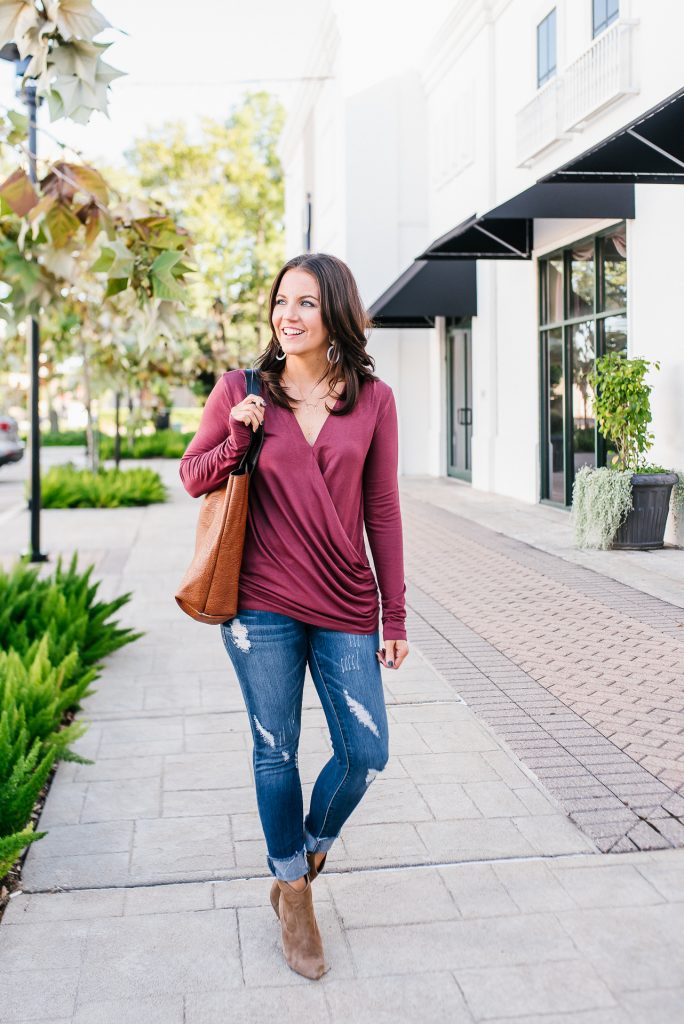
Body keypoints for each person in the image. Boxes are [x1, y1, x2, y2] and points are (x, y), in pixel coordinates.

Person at [179, 252, 409, 980]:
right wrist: (238, 436)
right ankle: (297, 895)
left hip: (346, 600)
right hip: (261, 604)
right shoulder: (240, 390)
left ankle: (302, 856)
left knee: (366, 753)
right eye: (282, 301)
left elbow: (382, 508)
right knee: (275, 749)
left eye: (307, 302)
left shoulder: (372, 400)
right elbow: (192, 476)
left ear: (335, 312)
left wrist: (395, 614)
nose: (290, 314)